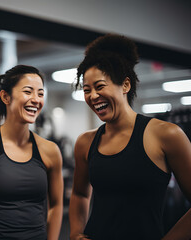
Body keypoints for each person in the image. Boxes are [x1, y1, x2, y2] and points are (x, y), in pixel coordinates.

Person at [68, 33, 191, 240]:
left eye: (99, 86)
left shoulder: (166, 135)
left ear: (125, 85)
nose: (92, 96)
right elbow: (80, 194)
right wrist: (75, 233)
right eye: (87, 90)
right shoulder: (85, 143)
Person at [0, 65, 64, 240]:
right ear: (6, 96)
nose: (36, 99)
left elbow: (56, 205)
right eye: (28, 92)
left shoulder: (50, 151)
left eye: (41, 94)